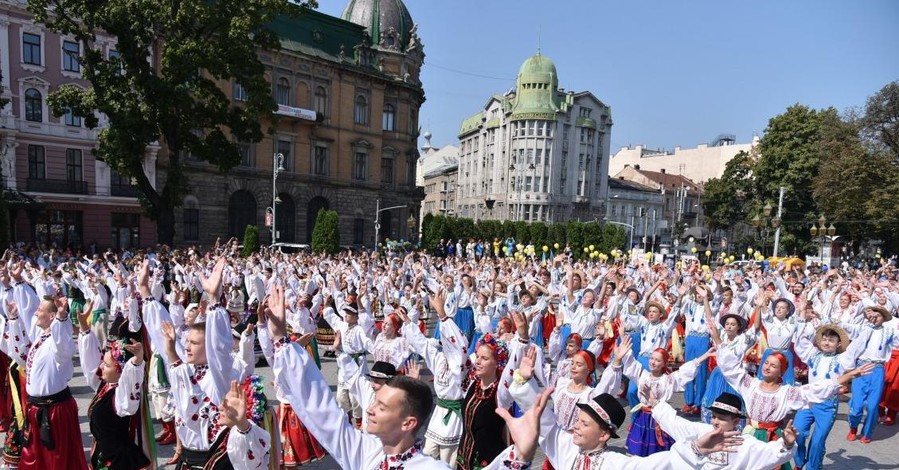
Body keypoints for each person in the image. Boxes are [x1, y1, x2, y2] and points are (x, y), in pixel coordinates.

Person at [265, 285, 535, 469]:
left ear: (408, 423)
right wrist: (280, 341)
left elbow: (460, 349)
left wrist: (519, 455)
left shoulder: (429, 467)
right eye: (376, 402)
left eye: (381, 406)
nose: (370, 409)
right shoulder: (365, 450)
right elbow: (322, 411)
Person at [4, 293, 87, 469]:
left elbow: (63, 344)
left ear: (51, 316)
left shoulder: (59, 346)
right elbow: (20, 354)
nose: (35, 313)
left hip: (54, 411)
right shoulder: (41, 340)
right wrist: (13, 319)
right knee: (35, 459)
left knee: (57, 461)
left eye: (40, 309)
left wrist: (62, 316)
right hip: (37, 409)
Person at [396, 290, 468, 465]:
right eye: (444, 341)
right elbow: (421, 345)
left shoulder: (463, 363)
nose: (447, 344)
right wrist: (407, 322)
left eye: (449, 341)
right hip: (438, 415)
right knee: (428, 453)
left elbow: (461, 345)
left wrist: (442, 315)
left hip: (454, 418)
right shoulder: (438, 358)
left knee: (448, 460)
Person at [77, 300, 151, 470]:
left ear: (120, 372)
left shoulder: (121, 396)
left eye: (106, 365)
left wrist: (137, 361)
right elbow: (89, 364)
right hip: (103, 456)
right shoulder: (105, 386)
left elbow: (130, 384)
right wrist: (84, 329)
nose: (101, 367)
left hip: (119, 461)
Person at [649, 391, 798, 469]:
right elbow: (676, 424)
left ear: (736, 421)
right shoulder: (701, 431)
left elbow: (771, 453)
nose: (715, 421)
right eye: (713, 416)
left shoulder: (745, 444)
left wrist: (787, 444)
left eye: (721, 418)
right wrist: (656, 404)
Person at [843, 305, 898, 443]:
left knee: (873, 406)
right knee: (857, 405)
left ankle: (867, 433)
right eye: (873, 315)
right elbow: (847, 329)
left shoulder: (889, 332)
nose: (875, 318)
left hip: (878, 369)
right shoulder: (864, 329)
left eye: (878, 316)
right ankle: (853, 427)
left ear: (884, 318)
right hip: (861, 367)